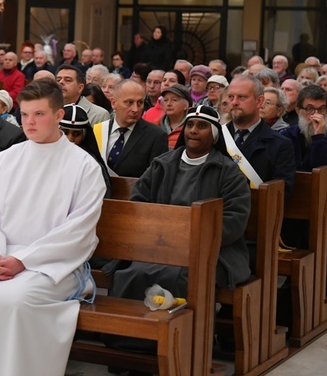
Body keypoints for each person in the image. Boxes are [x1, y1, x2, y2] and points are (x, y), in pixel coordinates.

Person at [0, 79, 104, 376]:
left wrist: (23, 260)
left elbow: (78, 229)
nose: (30, 122)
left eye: (39, 114)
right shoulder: (6, 159)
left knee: (16, 300)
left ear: (58, 116)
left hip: (54, 264)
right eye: (26, 114)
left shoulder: (83, 166)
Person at [105, 105, 251, 352]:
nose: (194, 131)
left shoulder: (228, 172)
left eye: (202, 126)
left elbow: (235, 219)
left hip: (207, 251)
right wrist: (158, 236)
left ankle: (181, 347)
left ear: (214, 134)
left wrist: (193, 240)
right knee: (130, 273)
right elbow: (138, 204)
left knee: (180, 277)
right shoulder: (162, 164)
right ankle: (130, 345)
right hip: (158, 247)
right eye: (191, 125)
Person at [281, 85, 327, 231]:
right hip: (289, 202)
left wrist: (318, 138)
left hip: (325, 207)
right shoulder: (286, 137)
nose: (315, 115)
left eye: (321, 109)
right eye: (310, 109)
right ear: (299, 111)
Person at [225, 75, 296, 196]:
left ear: (259, 101)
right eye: (231, 97)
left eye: (242, 97)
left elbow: (281, 194)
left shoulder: (280, 144)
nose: (234, 102)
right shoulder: (215, 136)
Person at [95, 79, 169, 175]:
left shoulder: (156, 136)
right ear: (113, 103)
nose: (135, 109)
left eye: (140, 103)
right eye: (129, 102)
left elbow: (156, 177)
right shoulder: (98, 130)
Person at [59, 103, 111, 194]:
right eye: (65, 132)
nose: (70, 139)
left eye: (76, 134)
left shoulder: (91, 164)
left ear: (84, 136)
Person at [160, 83, 192, 150]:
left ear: (186, 105)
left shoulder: (192, 129)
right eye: (165, 100)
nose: (168, 104)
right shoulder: (155, 125)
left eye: (174, 100)